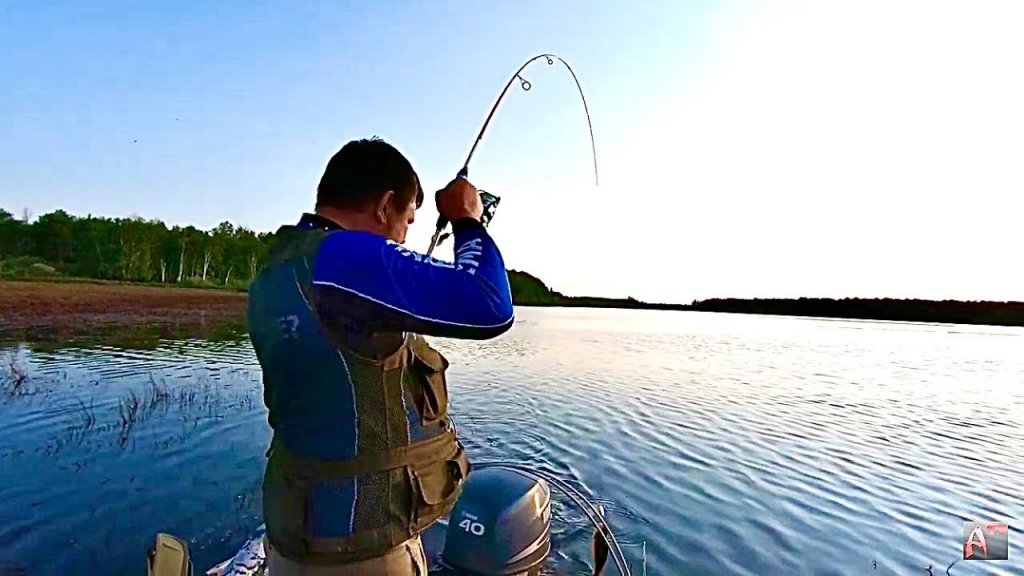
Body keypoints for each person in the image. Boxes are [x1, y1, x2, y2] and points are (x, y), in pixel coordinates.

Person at [246, 137, 515, 574]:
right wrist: (468, 221)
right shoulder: (344, 256)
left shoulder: (281, 266)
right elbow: (489, 306)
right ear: (385, 205)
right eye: (407, 219)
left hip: (298, 537)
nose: (406, 233)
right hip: (362, 552)